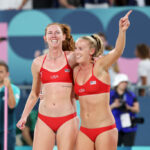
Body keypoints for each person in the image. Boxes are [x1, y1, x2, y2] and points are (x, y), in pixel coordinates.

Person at [74, 10, 132, 150]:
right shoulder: (75, 71)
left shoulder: (100, 65)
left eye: (81, 48)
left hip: (104, 129)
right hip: (85, 130)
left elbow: (117, 51)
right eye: (75, 48)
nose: (76, 52)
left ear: (91, 51)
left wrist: (122, 31)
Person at [17, 23, 79, 150]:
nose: (53, 35)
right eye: (50, 33)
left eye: (57, 32)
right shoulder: (37, 62)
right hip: (44, 119)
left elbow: (95, 60)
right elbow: (34, 94)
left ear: (64, 37)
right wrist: (24, 116)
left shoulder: (72, 57)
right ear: (45, 38)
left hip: (67, 119)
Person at [110, 73, 140, 146]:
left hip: (129, 127)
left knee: (128, 148)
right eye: (122, 82)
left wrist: (128, 107)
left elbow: (137, 109)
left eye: (126, 82)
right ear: (117, 83)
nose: (124, 84)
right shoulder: (110, 94)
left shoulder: (131, 94)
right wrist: (113, 105)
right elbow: (104, 110)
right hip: (115, 127)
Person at [0, 61, 20, 150]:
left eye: (1, 72)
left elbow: (12, 105)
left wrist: (8, 88)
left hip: (7, 131)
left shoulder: (14, 89)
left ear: (7, 74)